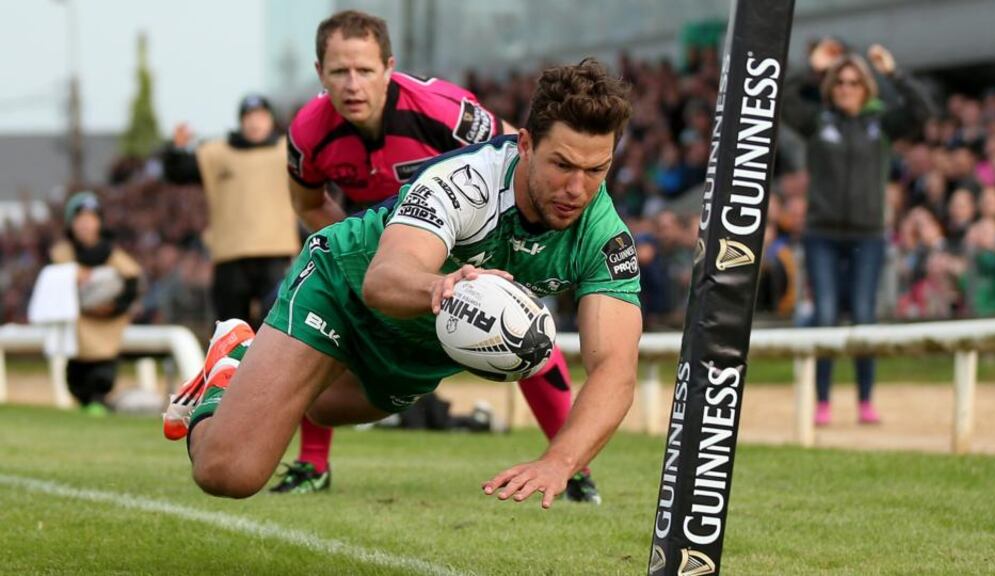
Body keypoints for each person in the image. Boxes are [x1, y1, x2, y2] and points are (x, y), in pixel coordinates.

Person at [163, 59, 641, 508]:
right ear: (527, 144)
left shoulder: (604, 238)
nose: (577, 188)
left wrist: (560, 462)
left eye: (596, 169)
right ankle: (226, 374)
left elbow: (615, 370)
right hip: (343, 291)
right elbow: (385, 279)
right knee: (229, 473)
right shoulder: (463, 183)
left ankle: (244, 364)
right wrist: (441, 287)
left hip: (417, 350)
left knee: (325, 411)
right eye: (562, 165)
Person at [274, 10, 599, 502]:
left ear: (389, 67)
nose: (353, 84)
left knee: (520, 328)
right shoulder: (306, 132)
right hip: (378, 249)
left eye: (364, 69)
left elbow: (521, 154)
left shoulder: (443, 110)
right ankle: (311, 463)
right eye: (339, 72)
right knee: (324, 327)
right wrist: (358, 254)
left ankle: (573, 469)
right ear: (320, 74)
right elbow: (306, 203)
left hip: (467, 242)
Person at [783, 43, 932, 426]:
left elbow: (923, 111)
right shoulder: (818, 122)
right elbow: (780, 100)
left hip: (868, 235)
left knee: (865, 317)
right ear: (831, 87)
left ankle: (866, 401)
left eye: (855, 82)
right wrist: (811, 69)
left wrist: (893, 72)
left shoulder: (879, 124)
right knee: (827, 317)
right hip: (822, 235)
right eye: (841, 82)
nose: (847, 88)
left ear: (866, 87)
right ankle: (823, 402)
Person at [162, 94, 299, 330]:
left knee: (279, 323)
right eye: (249, 117)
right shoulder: (218, 153)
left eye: (260, 116)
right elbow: (178, 172)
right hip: (230, 253)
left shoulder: (287, 150)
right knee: (230, 326)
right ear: (241, 121)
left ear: (270, 120)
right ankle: (230, 368)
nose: (255, 123)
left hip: (277, 252)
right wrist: (176, 148)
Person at [51, 192, 141, 414]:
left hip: (106, 328)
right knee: (76, 377)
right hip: (77, 329)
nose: (85, 225)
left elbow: (130, 284)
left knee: (101, 374)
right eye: (80, 219)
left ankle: (97, 402)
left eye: (91, 219)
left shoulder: (113, 255)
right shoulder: (62, 254)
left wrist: (110, 307)